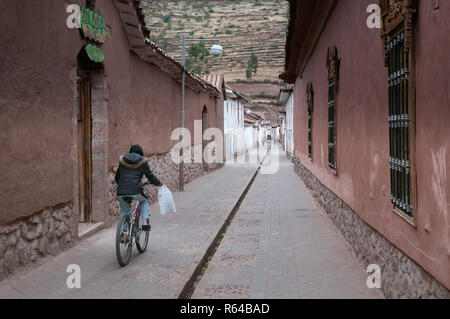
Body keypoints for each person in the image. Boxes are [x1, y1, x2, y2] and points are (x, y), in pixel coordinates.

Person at [115, 145, 162, 231]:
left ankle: (123, 232)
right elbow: (150, 176)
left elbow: (117, 177)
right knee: (144, 201)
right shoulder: (142, 161)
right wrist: (158, 183)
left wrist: (122, 186)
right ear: (141, 153)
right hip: (136, 190)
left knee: (125, 211)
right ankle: (144, 223)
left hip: (121, 191)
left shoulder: (123, 161)